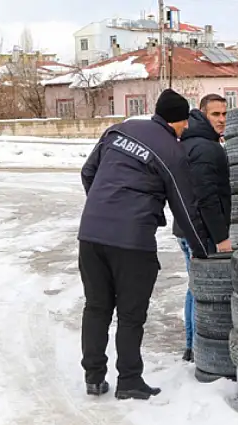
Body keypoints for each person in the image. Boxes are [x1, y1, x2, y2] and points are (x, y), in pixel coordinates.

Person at [78, 88, 212, 400]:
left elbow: (88, 173)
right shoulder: (172, 150)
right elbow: (184, 207)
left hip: (91, 235)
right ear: (178, 123)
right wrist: (203, 250)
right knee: (130, 314)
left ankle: (94, 378)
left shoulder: (119, 129)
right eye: (184, 125)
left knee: (96, 307)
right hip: (132, 241)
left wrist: (103, 209)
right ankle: (129, 381)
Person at [172, 93, 232, 362]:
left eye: (224, 114)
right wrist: (220, 238)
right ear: (202, 113)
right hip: (200, 232)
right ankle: (197, 349)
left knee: (194, 288)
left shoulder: (191, 141)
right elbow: (207, 197)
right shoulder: (207, 148)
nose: (221, 120)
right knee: (202, 292)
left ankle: (191, 346)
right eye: (215, 115)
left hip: (186, 227)